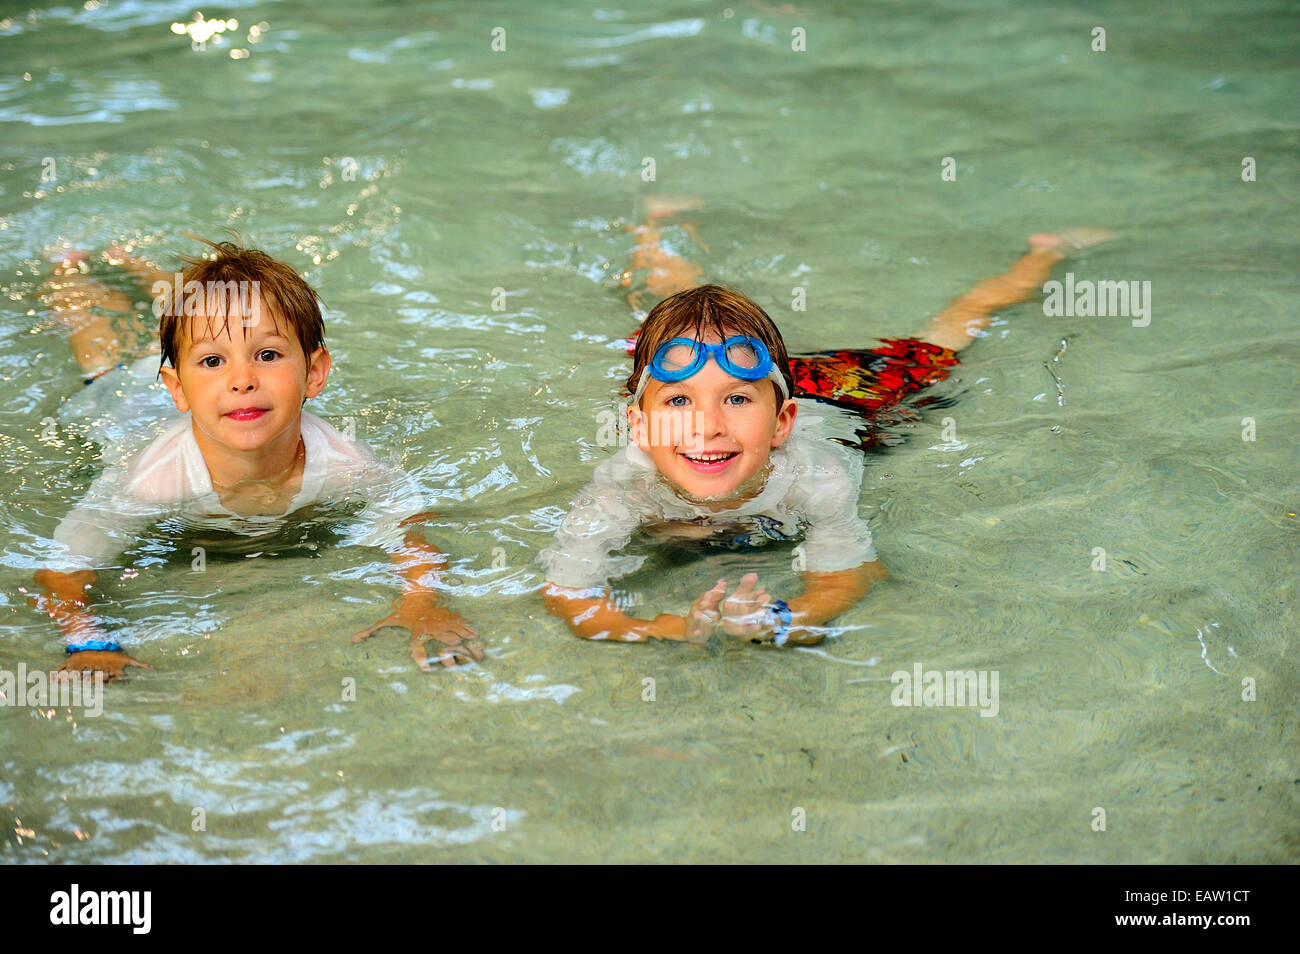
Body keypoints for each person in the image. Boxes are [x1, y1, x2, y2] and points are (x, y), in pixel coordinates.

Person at [541, 198, 1110, 645]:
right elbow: (569, 594)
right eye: (680, 402)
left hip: (840, 393)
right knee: (665, 310)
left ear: (782, 423)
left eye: (737, 401)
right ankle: (657, 227)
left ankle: (1045, 253)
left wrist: (785, 618)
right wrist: (665, 629)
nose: (707, 427)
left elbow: (849, 576)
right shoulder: (623, 487)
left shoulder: (815, 478)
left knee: (947, 341)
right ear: (638, 428)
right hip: (759, 380)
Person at [31, 238, 480, 679]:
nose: (242, 379)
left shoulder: (346, 464)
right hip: (121, 401)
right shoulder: (153, 481)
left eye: (267, 355)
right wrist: (91, 643)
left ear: (315, 373)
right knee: (100, 340)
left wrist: (421, 604)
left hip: (183, 383)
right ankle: (68, 266)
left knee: (201, 328)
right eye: (213, 362)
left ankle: (133, 264)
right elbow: (64, 567)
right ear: (177, 389)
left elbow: (410, 535)